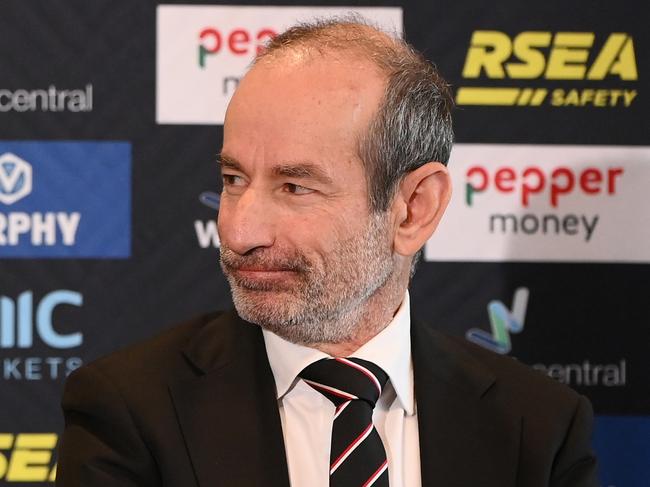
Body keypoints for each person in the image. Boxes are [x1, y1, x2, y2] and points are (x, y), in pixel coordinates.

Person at [56, 18, 597, 487]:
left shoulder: (537, 428)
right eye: (233, 178)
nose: (240, 231)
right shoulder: (130, 410)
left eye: (295, 187)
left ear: (413, 209)